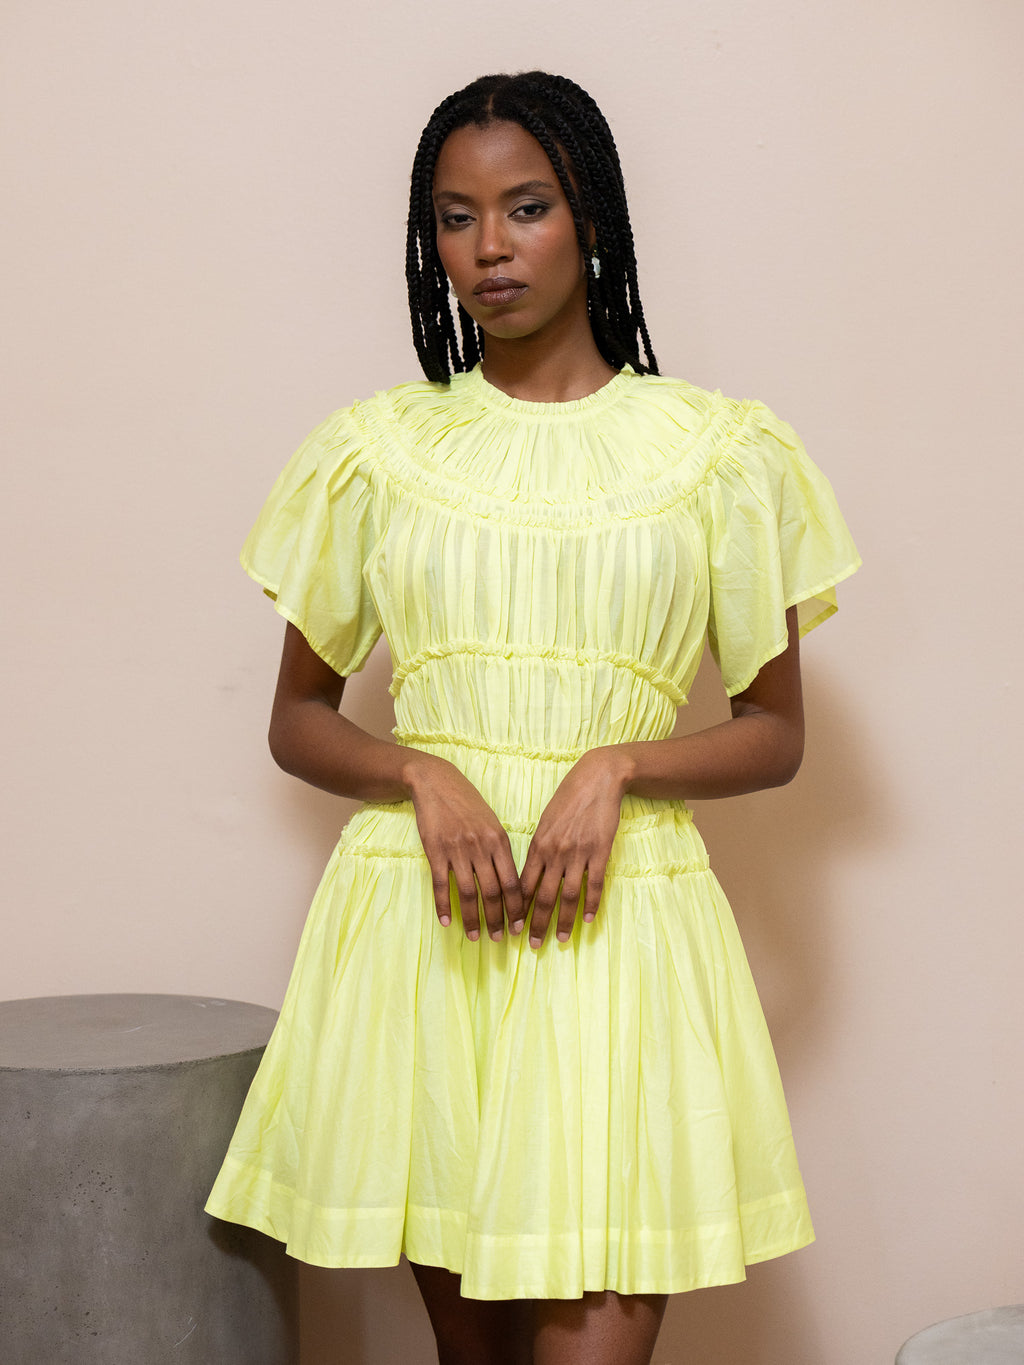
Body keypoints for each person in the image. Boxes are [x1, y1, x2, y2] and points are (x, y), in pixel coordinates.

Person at [206, 71, 860, 1365]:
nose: (489, 248)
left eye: (526, 207)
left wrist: (619, 764)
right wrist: (420, 773)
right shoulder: (379, 450)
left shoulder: (719, 451)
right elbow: (298, 718)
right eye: (455, 219)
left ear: (591, 220)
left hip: (622, 937)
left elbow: (775, 731)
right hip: (428, 934)